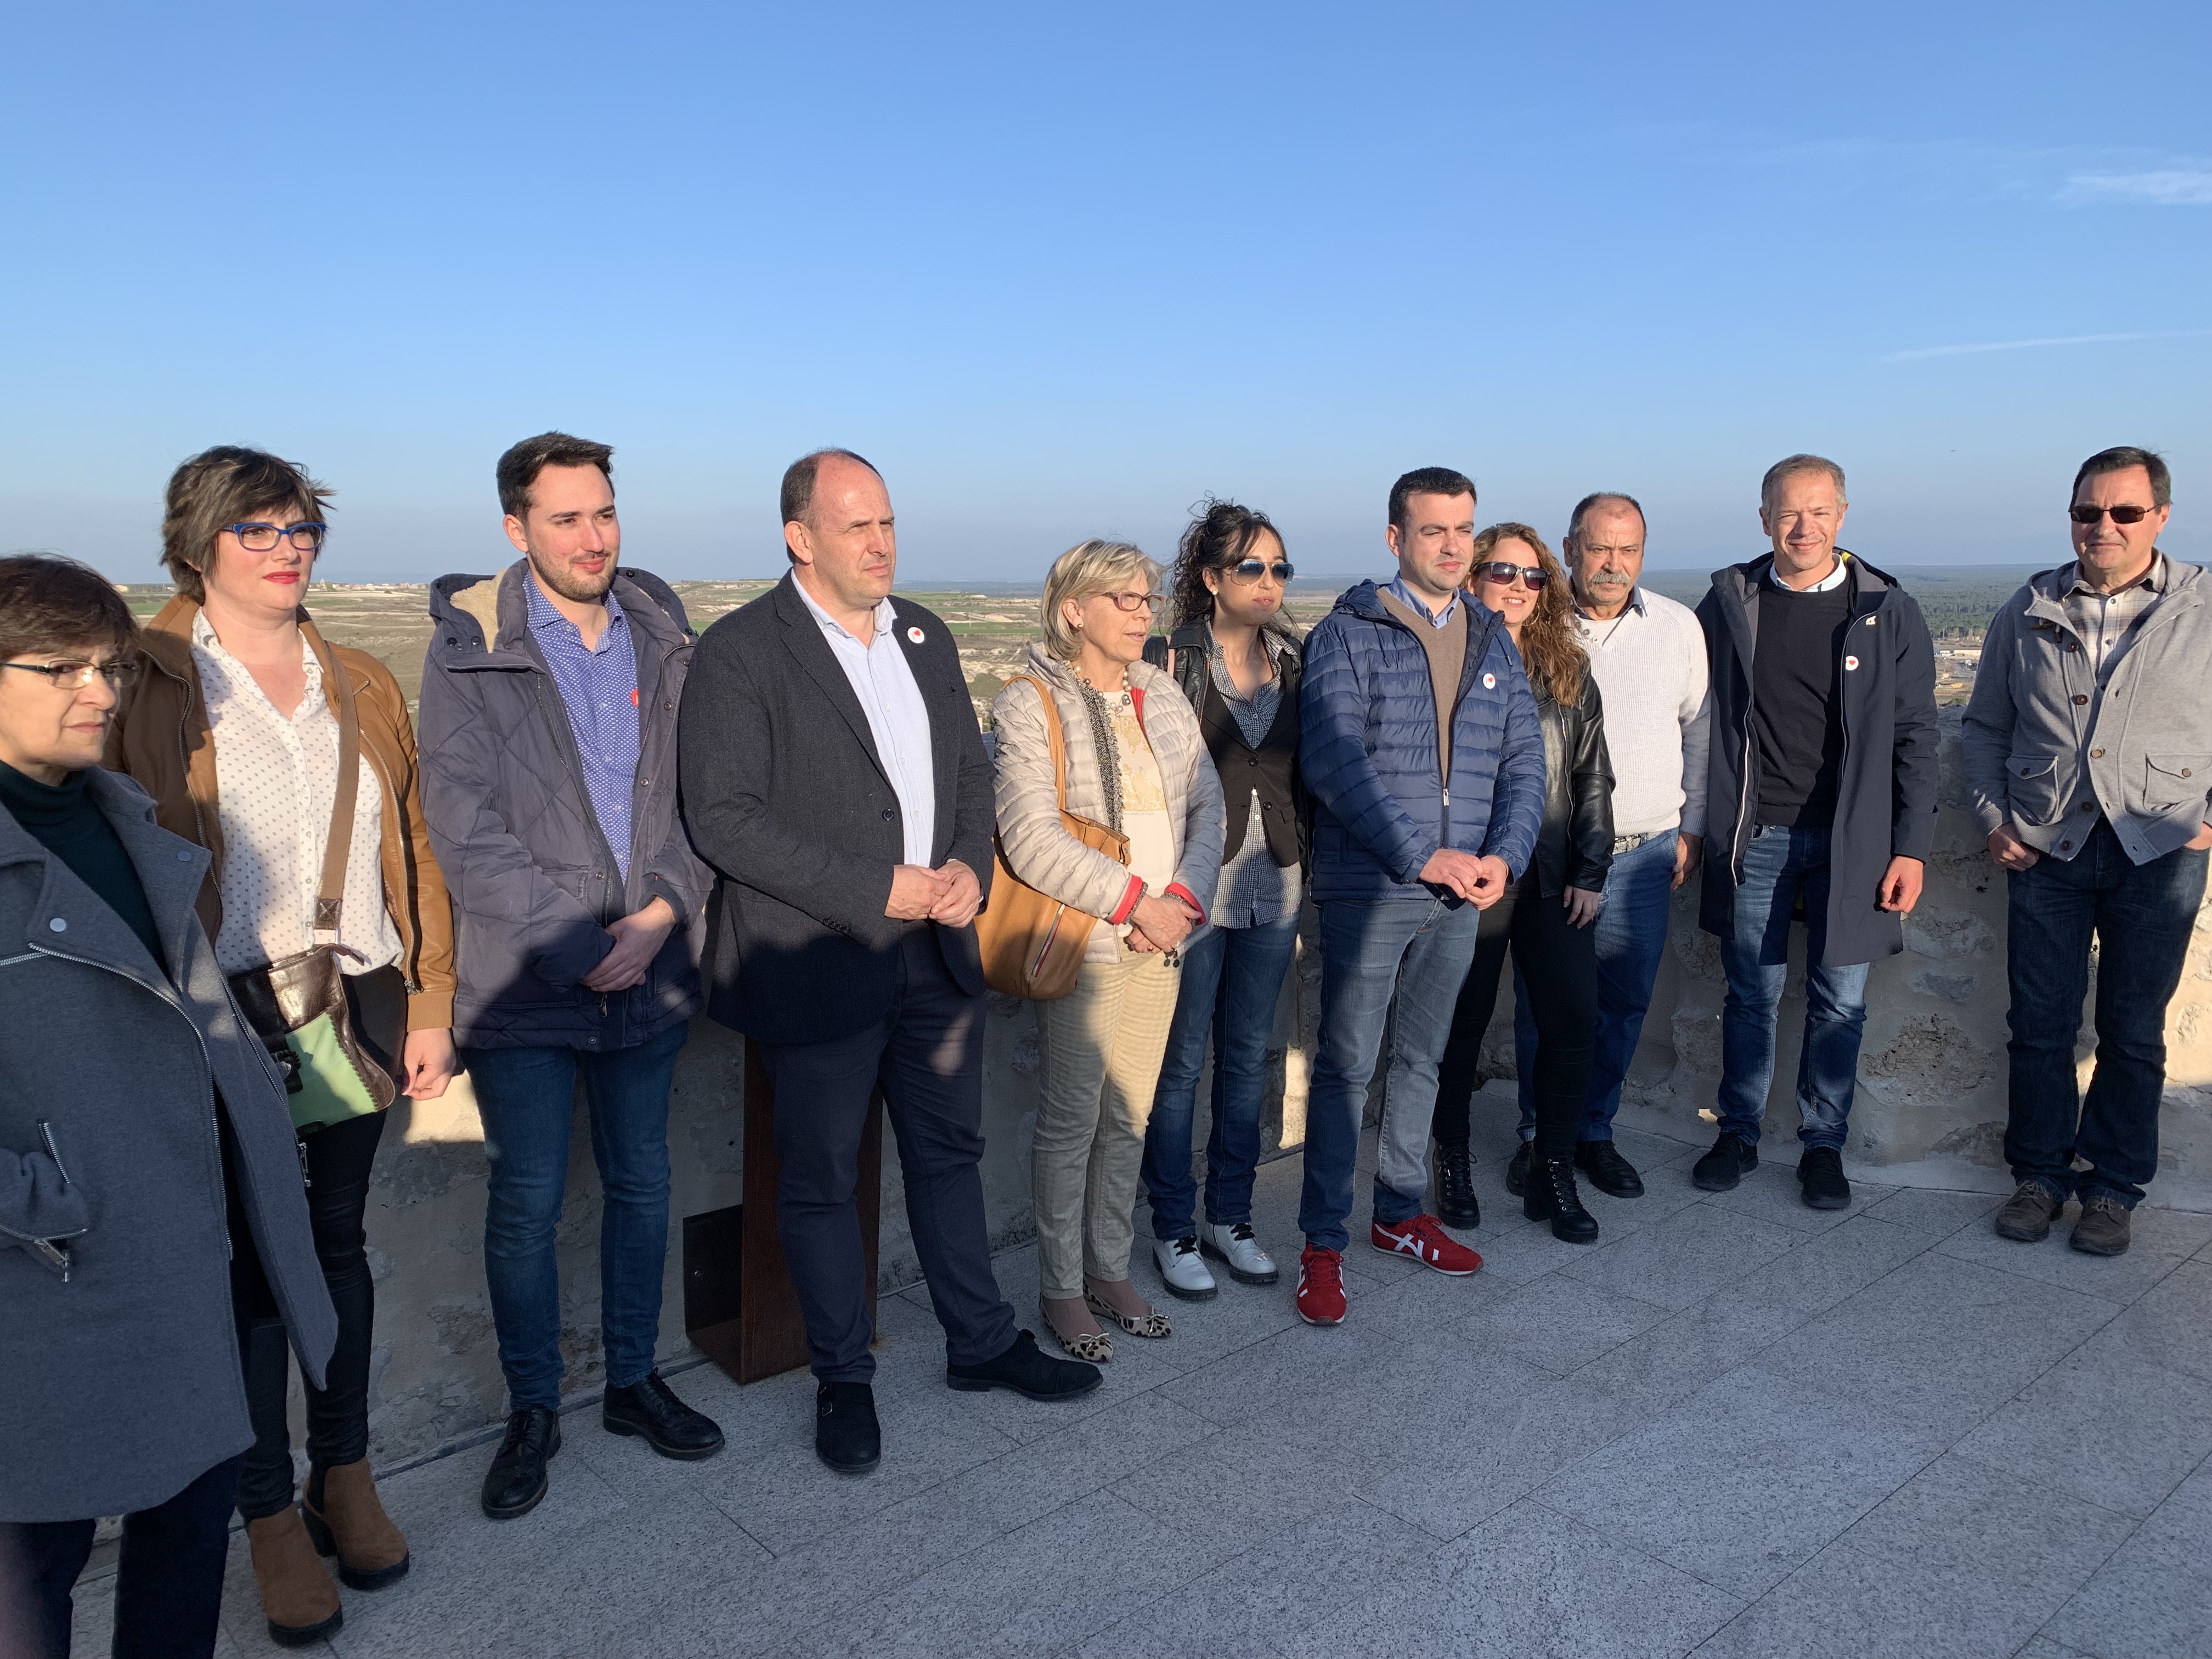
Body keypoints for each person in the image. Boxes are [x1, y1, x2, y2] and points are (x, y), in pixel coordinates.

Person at [680, 449, 1102, 1476]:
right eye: (857, 525)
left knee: (948, 1154)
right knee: (822, 1177)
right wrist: (882, 886)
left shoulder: (924, 630)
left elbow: (966, 765)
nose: (881, 543)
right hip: (820, 958)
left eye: (888, 523)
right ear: (801, 537)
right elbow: (723, 819)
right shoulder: (741, 653)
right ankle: (843, 1380)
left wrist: (962, 868)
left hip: (938, 952)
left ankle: (981, 1343)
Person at [99, 446, 457, 1643]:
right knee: (248, 1266)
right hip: (214, 1009)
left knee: (337, 1244)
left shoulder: (356, 675)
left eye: (301, 526)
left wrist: (430, 1001)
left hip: (349, 998)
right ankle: (262, 1512)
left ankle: (343, 1473)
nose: (287, 545)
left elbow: (413, 843)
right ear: (197, 545)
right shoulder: (144, 680)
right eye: (257, 528)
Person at [0, 555, 336, 1659]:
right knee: (31, 1567)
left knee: (189, 1529)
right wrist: (42, 1198)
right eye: (60, 668)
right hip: (47, 1277)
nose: (98, 691)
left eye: (110, 666)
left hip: (191, 1249)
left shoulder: (122, 817)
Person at [419, 433, 723, 1521]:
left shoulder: (664, 638)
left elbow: (701, 805)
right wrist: (580, 942)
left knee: (643, 1183)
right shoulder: (467, 654)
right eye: (565, 519)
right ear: (518, 530)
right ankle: (534, 1410)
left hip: (651, 966)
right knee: (529, 1204)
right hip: (528, 985)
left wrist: (659, 916)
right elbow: (465, 829)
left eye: (603, 513)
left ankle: (636, 1383)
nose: (593, 537)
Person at [1293, 467, 1544, 1325]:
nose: (1450, 546)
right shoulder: (1348, 633)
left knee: (1424, 1060)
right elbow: (1334, 761)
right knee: (1346, 1067)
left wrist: (1503, 858)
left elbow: (1524, 760)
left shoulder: (1490, 636)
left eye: (1463, 531)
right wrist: (1421, 854)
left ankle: (1400, 1213)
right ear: (1396, 538)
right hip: (1375, 886)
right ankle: (1321, 1245)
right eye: (1433, 530)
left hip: (1462, 890)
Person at [1965, 446, 2212, 1256]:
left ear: (2161, 517)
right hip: (2046, 844)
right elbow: (1985, 727)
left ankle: (2111, 1189)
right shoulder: (2028, 607)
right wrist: (1994, 815)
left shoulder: (2202, 607)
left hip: (2160, 848)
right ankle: (2038, 1177)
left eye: (2124, 512)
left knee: (2133, 1030)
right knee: (2038, 1023)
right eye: (2087, 512)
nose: (2102, 526)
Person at [992, 539, 1225, 1355]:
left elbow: (1210, 803)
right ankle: (1060, 1288)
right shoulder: (1029, 702)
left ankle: (1109, 1267)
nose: (1142, 612)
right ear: (1073, 610)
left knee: (1128, 1118)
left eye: (1147, 598)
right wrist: (1136, 902)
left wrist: (1183, 902)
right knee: (1071, 1120)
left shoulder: (1161, 693)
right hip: (1088, 941)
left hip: (1166, 935)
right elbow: (1030, 835)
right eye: (1124, 599)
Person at [1694, 455, 1938, 1210]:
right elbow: (1693, 714)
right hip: (1754, 836)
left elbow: (1916, 735)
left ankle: (1822, 1147)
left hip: (1852, 843)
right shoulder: (1731, 603)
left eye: (1819, 511)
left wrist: (1911, 847)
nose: (1804, 527)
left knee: (1841, 1003)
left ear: (1843, 516)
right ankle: (1738, 1132)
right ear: (1763, 518)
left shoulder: (1886, 610)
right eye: (1788, 512)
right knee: (1751, 996)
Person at [1498, 493, 1709, 1202]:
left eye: (1629, 550)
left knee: (1622, 1004)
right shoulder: (1536, 626)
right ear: (1569, 549)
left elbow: (1699, 731)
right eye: (1599, 549)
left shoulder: (1678, 628)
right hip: (1552, 856)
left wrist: (1692, 829)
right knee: (1545, 1007)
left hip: (1646, 853)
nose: (1614, 565)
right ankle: (1538, 1138)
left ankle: (1592, 1131)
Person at [1138, 501, 1304, 1299]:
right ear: (1210, 579)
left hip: (1279, 882)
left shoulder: (1294, 659)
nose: (1269, 581)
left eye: (1279, 568)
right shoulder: (1169, 660)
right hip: (1194, 891)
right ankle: (1172, 1227)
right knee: (1180, 1066)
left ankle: (1229, 1217)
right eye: (1251, 568)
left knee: (1245, 1057)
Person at [1431, 524, 1613, 1243]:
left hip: (1550, 871)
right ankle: (1452, 1157)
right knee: (1462, 1026)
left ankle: (1554, 1165)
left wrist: (1591, 870)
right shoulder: (1437, 664)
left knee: (1574, 1020)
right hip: (1470, 877)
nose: (1518, 586)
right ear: (1472, 579)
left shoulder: (1566, 671)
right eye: (1502, 572)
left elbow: (1592, 777)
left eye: (1534, 577)